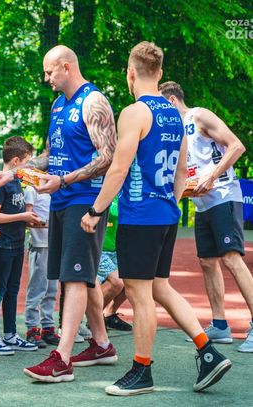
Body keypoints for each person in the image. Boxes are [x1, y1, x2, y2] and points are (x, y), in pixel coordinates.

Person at [80, 41, 231, 396]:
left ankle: (142, 370)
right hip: (166, 213)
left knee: (139, 293)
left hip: (140, 215)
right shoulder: (176, 115)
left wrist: (96, 210)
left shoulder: (134, 113)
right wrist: (169, 204)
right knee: (160, 287)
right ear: (160, 73)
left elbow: (119, 168)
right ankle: (208, 351)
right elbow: (182, 172)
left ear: (130, 73)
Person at [19, 45, 117, 383]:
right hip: (60, 199)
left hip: (84, 199)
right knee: (81, 275)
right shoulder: (58, 105)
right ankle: (102, 344)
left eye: (49, 72)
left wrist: (65, 180)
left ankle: (61, 358)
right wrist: (17, 171)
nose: (46, 78)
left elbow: (108, 157)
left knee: (74, 278)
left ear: (66, 67)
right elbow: (51, 154)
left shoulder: (94, 102)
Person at [160, 81, 253, 352]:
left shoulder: (199, 115)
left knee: (231, 259)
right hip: (202, 204)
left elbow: (237, 146)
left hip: (223, 195)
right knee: (207, 262)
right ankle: (220, 325)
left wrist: (211, 176)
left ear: (172, 101)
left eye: (163, 106)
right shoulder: (175, 131)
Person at [0, 137, 40, 355]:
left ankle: (10, 333)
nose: (29, 166)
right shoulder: (0, 183)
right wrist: (23, 216)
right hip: (2, 243)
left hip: (17, 243)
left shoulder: (17, 181)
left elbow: (15, 211)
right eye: (27, 162)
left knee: (12, 289)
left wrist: (28, 220)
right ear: (16, 161)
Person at [23, 184, 60, 348]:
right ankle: (32, 328)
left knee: (52, 288)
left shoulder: (54, 187)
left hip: (54, 244)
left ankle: (48, 327)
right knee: (37, 288)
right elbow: (28, 218)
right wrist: (49, 225)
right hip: (40, 245)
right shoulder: (31, 189)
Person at [98, 198, 131, 331]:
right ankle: (95, 318)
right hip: (99, 249)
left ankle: (109, 314)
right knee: (116, 282)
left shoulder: (124, 192)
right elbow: (114, 211)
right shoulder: (106, 191)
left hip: (116, 248)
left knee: (132, 280)